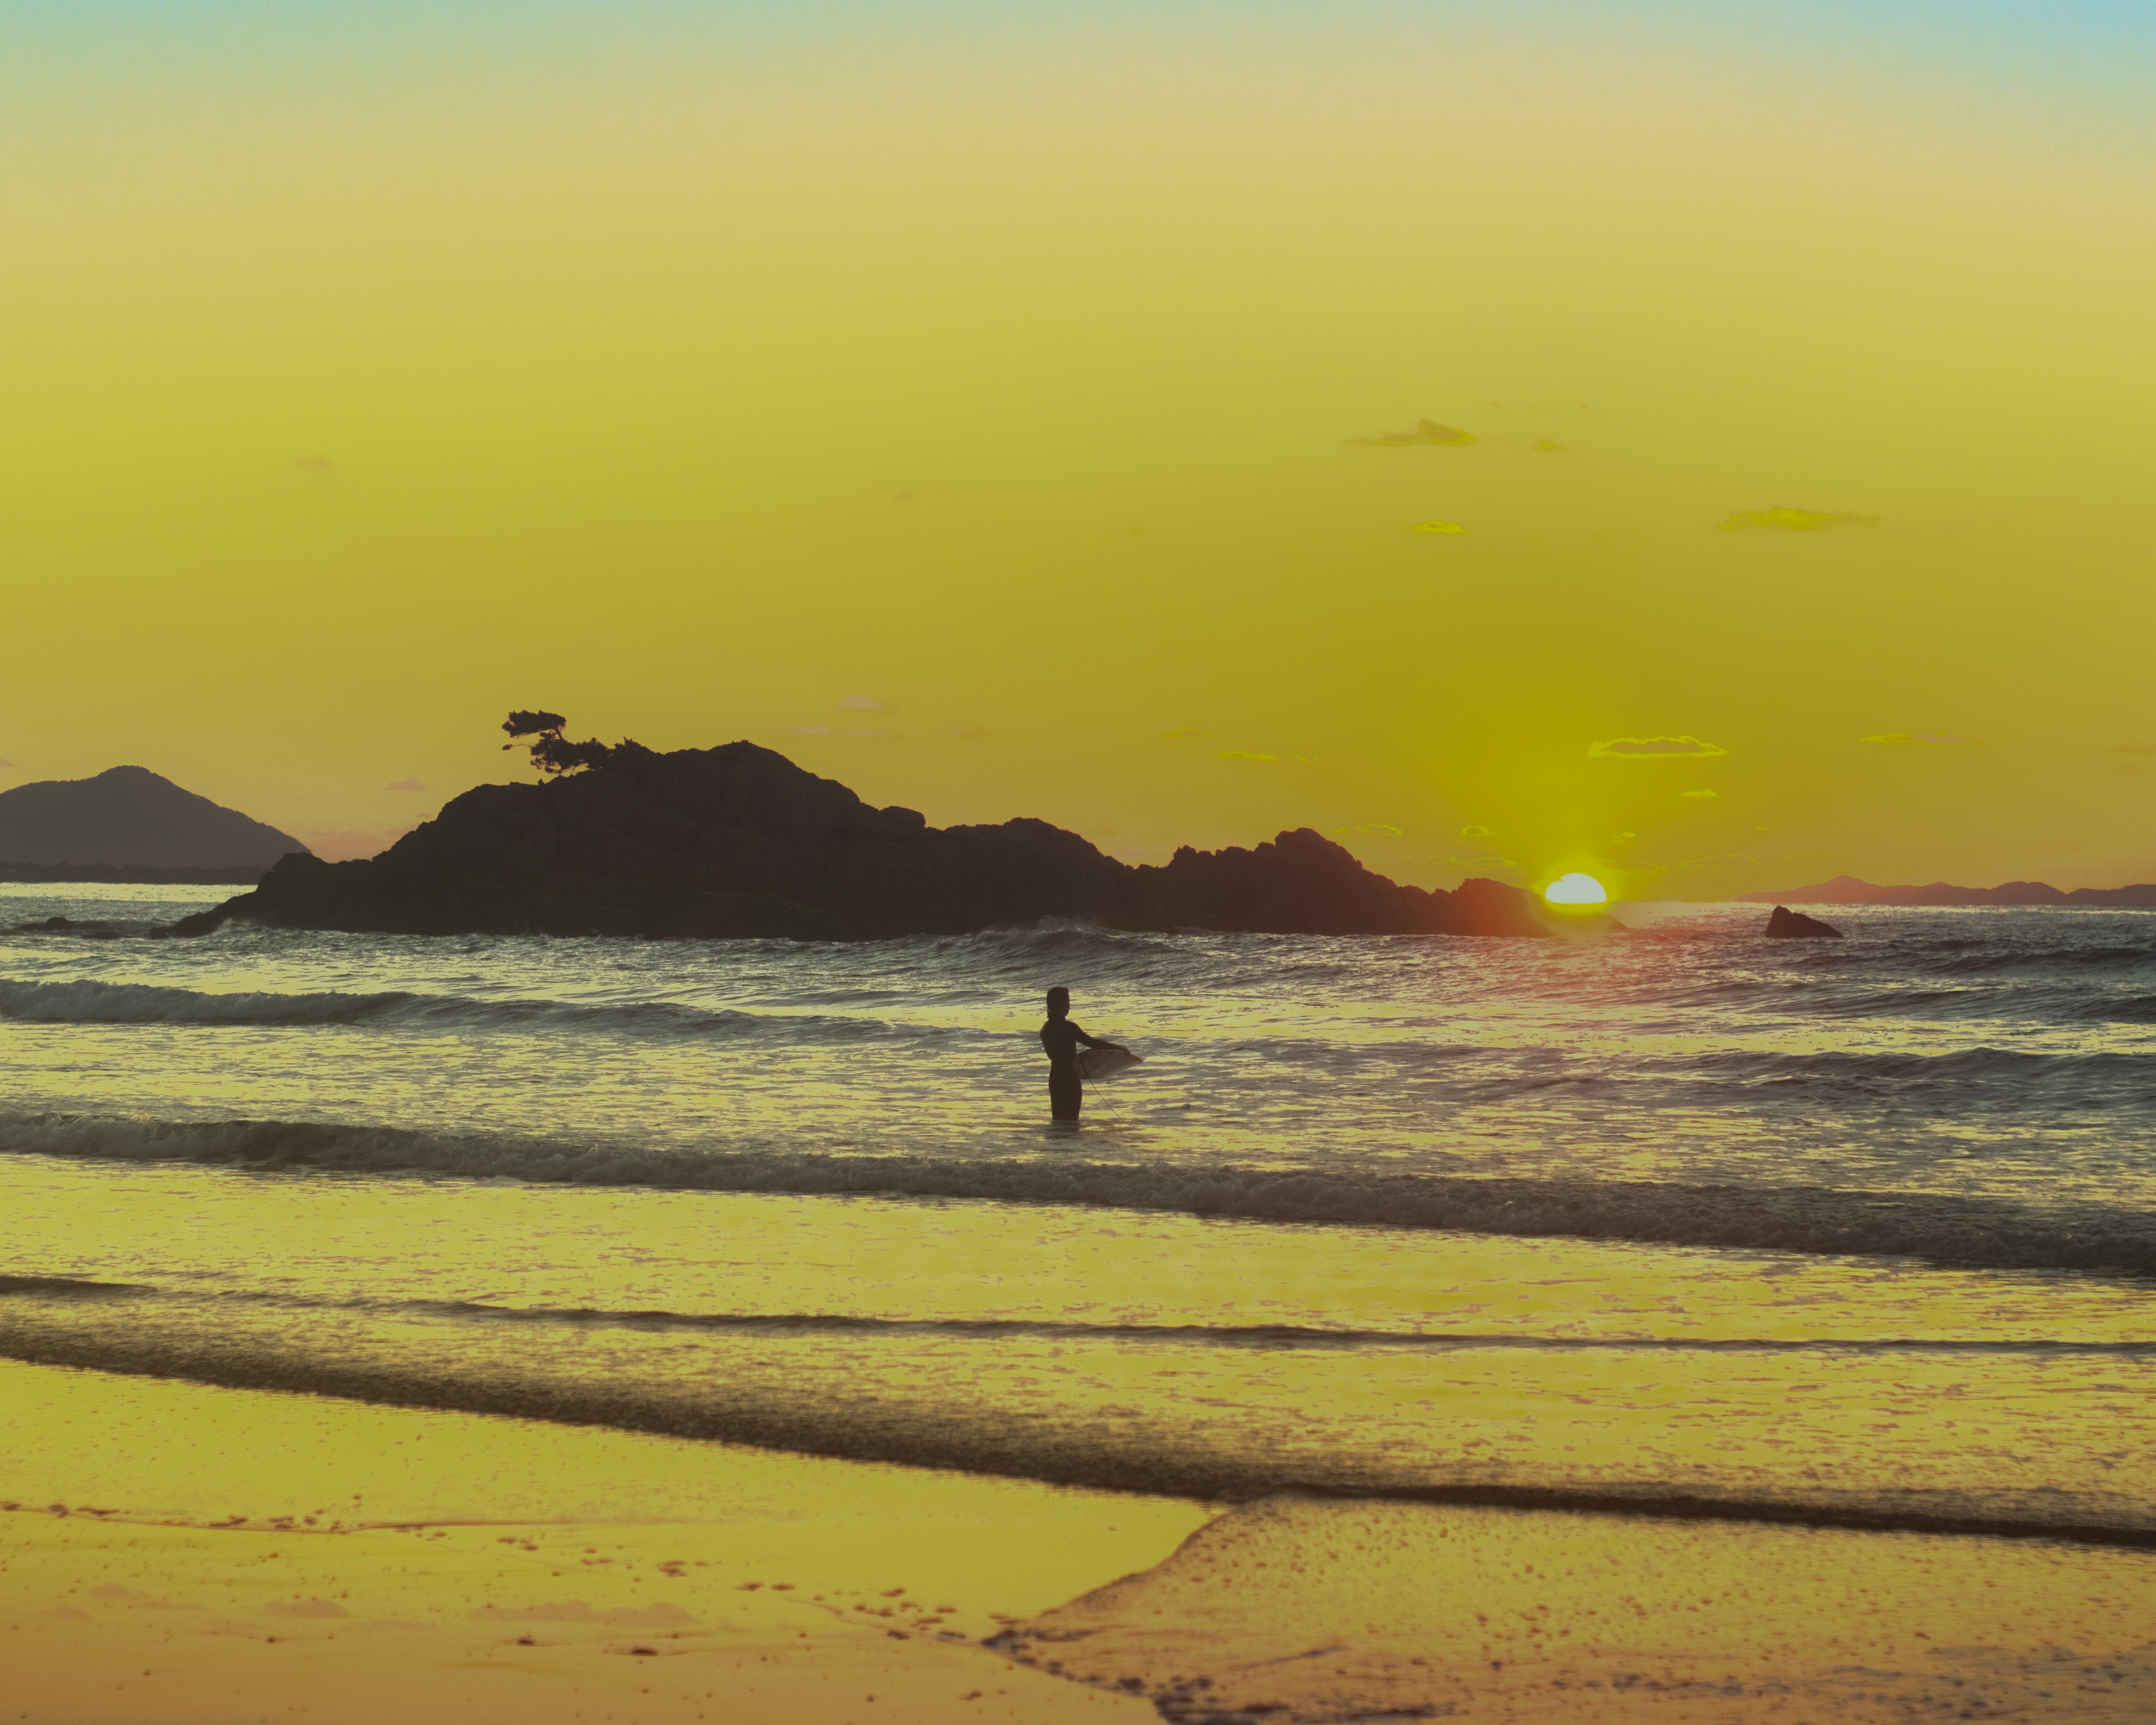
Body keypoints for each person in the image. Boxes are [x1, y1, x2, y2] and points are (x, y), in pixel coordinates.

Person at [1039, 987, 1124, 1122]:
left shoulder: (1045, 1029)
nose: (1069, 1005)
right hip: (1070, 1079)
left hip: (1055, 1079)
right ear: (1061, 1004)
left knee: (1058, 1123)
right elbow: (1092, 1043)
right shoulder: (1069, 1027)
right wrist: (1118, 1048)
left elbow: (1057, 1056)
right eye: (1068, 1002)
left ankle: (1056, 1144)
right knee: (1071, 1123)